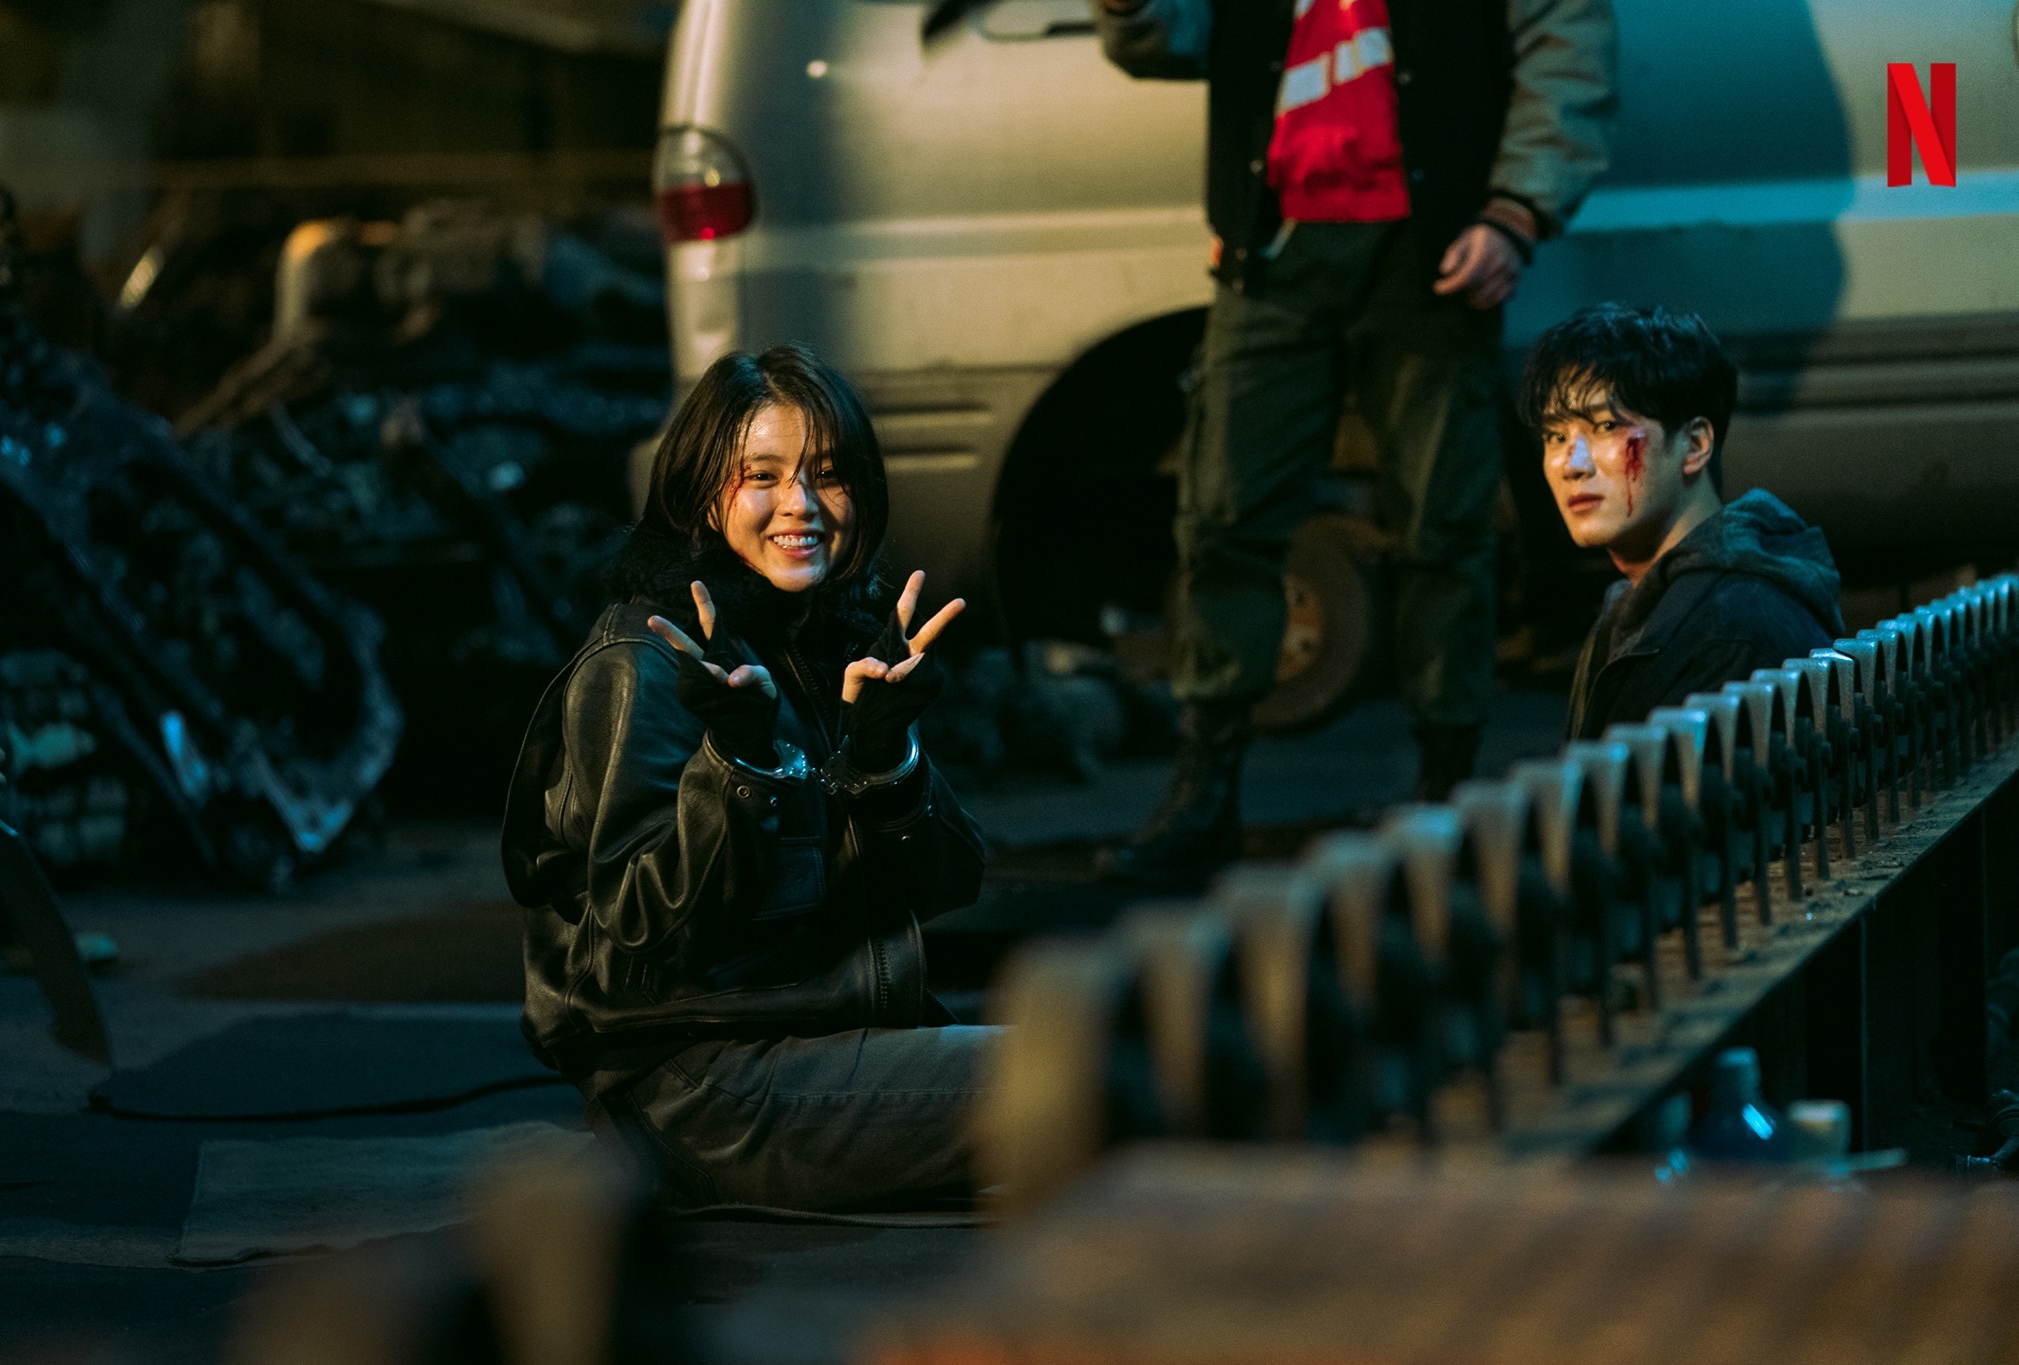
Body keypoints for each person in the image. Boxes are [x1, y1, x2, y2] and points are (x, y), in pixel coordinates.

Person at [1091, 0, 1617, 888]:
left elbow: (1567, 35)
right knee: (1223, 516)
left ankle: (1448, 793)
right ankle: (1205, 794)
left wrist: (1517, 209)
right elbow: (1168, 33)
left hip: (1429, 243)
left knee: (1444, 527)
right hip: (1272, 240)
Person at [501, 344, 991, 1212]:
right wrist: (740, 762)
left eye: (828, 474)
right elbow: (645, 934)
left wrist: (886, 754)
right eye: (761, 476)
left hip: (827, 1043)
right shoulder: (647, 662)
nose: (801, 503)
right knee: (1090, 1072)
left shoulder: (824, 643)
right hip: (700, 1088)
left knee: (1123, 1037)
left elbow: (951, 882)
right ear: (702, 494)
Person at [1518, 303, 1846, 739]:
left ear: (1694, 445)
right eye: (1556, 436)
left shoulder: (1732, 628)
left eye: (1606, 426)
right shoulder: (1644, 606)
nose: (1571, 464)